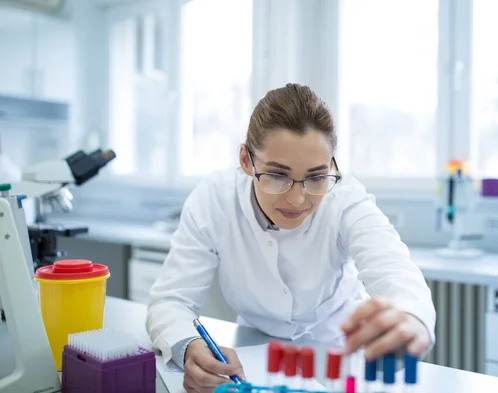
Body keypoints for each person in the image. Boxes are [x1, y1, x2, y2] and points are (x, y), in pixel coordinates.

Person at [146, 83, 436, 393]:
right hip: (253, 360)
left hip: (340, 359)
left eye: (315, 176)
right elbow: (171, 300)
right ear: (246, 160)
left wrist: (410, 318)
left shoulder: (345, 199)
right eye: (278, 175)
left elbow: (396, 272)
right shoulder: (213, 200)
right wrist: (188, 346)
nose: (298, 199)